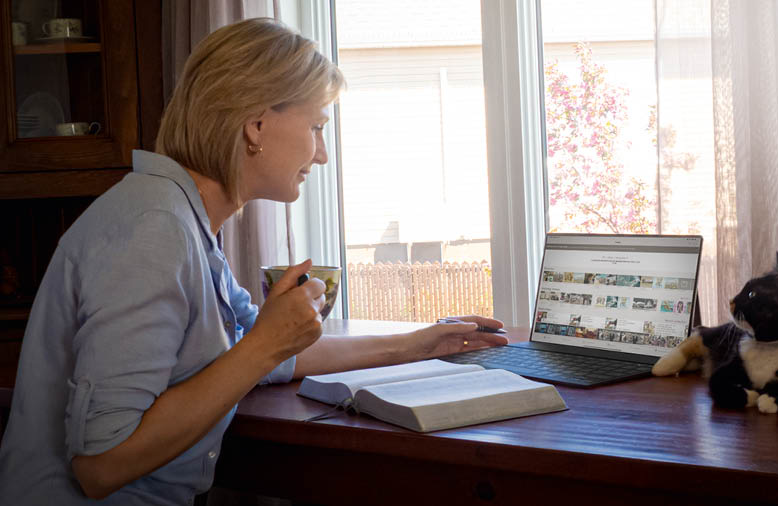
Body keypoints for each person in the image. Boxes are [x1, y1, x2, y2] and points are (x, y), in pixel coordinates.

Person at [0, 18, 507, 505]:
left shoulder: (186, 221)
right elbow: (101, 464)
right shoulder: (154, 230)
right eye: (315, 126)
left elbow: (271, 355)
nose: (322, 153)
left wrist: (420, 344)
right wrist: (265, 345)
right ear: (257, 124)